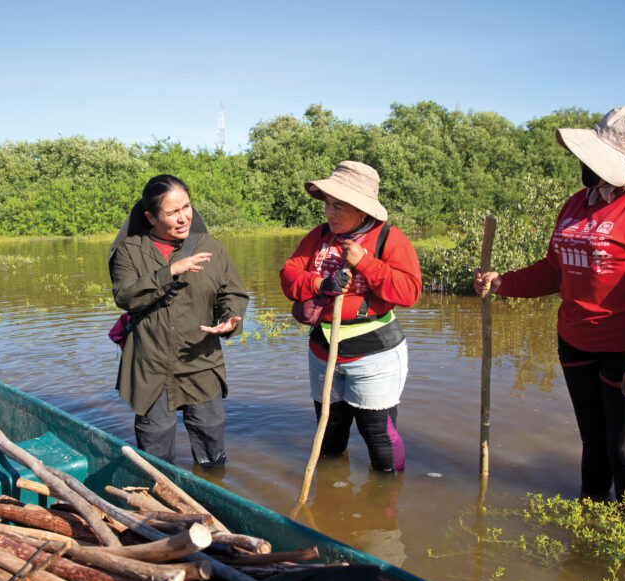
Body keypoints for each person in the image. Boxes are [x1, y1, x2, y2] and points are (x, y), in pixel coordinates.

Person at [474, 106, 625, 502]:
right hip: (576, 343)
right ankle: (588, 533)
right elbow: (555, 270)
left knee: (624, 450)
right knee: (593, 444)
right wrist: (505, 282)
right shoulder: (578, 203)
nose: (583, 162)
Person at [280, 161, 422, 472]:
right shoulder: (319, 236)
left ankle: (385, 507)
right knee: (329, 435)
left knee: (377, 435)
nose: (329, 213)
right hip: (322, 350)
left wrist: (366, 264)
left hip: (374, 354)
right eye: (328, 204)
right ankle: (333, 498)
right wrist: (320, 284)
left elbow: (410, 291)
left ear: (361, 209)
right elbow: (289, 275)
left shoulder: (389, 238)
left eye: (338, 206)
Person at [109, 175, 248, 467]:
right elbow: (125, 296)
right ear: (150, 217)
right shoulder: (130, 250)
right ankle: (161, 508)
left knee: (212, 455)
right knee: (155, 458)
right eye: (172, 212)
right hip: (150, 367)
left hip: (202, 362)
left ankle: (213, 503)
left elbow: (232, 293)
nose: (184, 217)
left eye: (187, 207)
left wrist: (230, 319)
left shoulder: (210, 246)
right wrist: (169, 271)